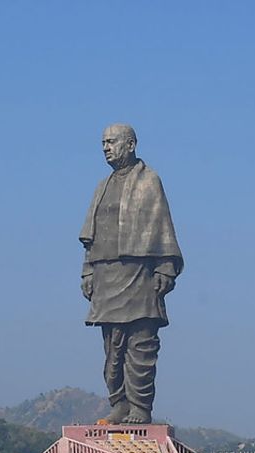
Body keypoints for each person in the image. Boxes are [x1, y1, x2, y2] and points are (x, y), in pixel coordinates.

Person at [79, 124, 183, 425]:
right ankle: (119, 402)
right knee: (113, 349)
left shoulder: (149, 181)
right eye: (103, 143)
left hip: (139, 273)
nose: (105, 148)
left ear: (131, 144)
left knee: (140, 344)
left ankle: (140, 407)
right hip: (105, 274)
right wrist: (87, 272)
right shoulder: (102, 186)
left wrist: (165, 266)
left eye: (111, 142)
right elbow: (90, 237)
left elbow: (161, 224)